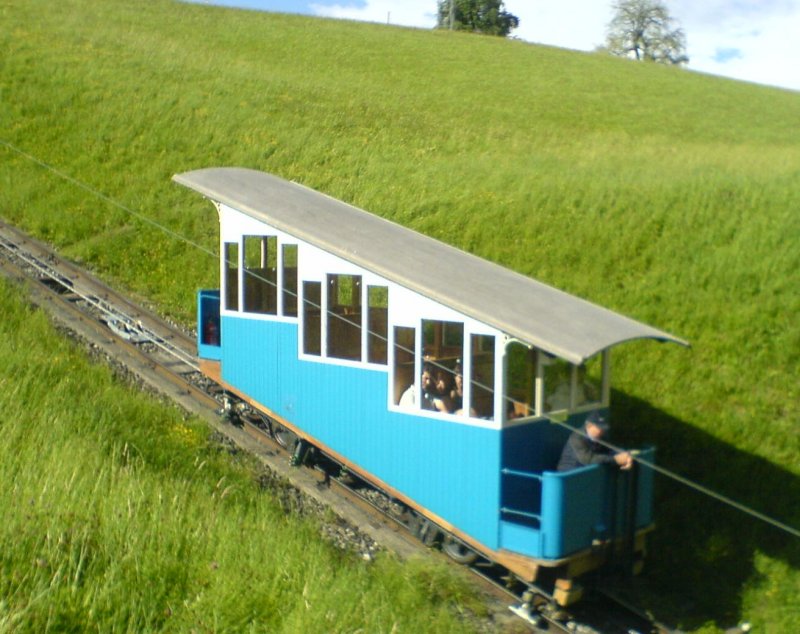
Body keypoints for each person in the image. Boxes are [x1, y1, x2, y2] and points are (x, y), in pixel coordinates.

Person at [556, 410, 633, 471]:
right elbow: (588, 460)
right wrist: (615, 460)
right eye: (599, 429)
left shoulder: (601, 436)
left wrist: (626, 456)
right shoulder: (576, 438)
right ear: (589, 426)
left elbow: (611, 448)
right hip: (569, 474)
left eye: (604, 429)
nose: (602, 432)